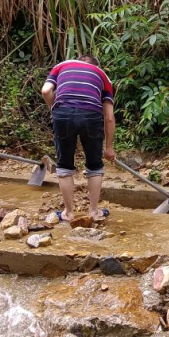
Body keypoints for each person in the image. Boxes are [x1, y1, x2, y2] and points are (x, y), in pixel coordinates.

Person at [41, 55, 116, 223]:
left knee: (65, 165)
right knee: (95, 165)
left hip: (63, 113)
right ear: (96, 66)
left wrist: (55, 111)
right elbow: (109, 117)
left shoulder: (63, 65)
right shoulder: (103, 76)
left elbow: (46, 91)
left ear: (79, 60)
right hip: (92, 115)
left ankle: (68, 213)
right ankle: (94, 212)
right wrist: (109, 148)